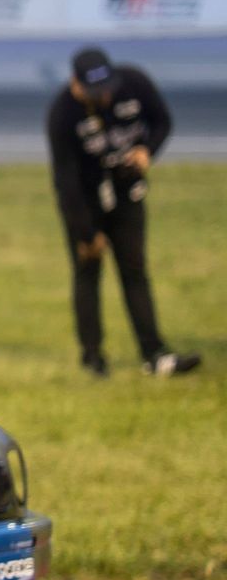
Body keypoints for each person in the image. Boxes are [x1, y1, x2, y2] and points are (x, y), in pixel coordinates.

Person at [47, 47, 199, 377]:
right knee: (88, 272)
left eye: (106, 90)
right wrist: (87, 233)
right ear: (76, 83)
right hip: (85, 204)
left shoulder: (134, 83)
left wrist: (148, 151)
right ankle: (93, 357)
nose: (102, 97)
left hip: (127, 195)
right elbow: (65, 181)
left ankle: (155, 354)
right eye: (93, 91)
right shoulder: (62, 114)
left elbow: (162, 121)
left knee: (135, 272)